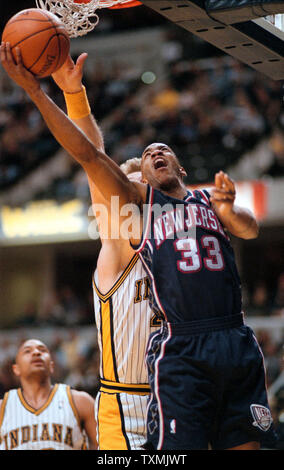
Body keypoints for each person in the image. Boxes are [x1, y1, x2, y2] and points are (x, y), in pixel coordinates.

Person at [0, 43, 275, 450]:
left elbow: (243, 230)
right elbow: (91, 156)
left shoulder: (188, 220)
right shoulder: (122, 232)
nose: (137, 181)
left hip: (195, 379)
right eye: (132, 174)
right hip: (131, 398)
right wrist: (68, 95)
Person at [51, 55, 161, 449]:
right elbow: (92, 157)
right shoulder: (115, 246)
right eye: (121, 188)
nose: (125, 196)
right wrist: (73, 95)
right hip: (125, 404)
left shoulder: (173, 246)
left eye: (134, 190)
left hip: (179, 395)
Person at [0, 339, 97, 450]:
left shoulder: (80, 401)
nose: (36, 353)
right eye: (27, 351)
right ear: (16, 369)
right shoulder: (2, 408)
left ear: (51, 366)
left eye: (42, 350)